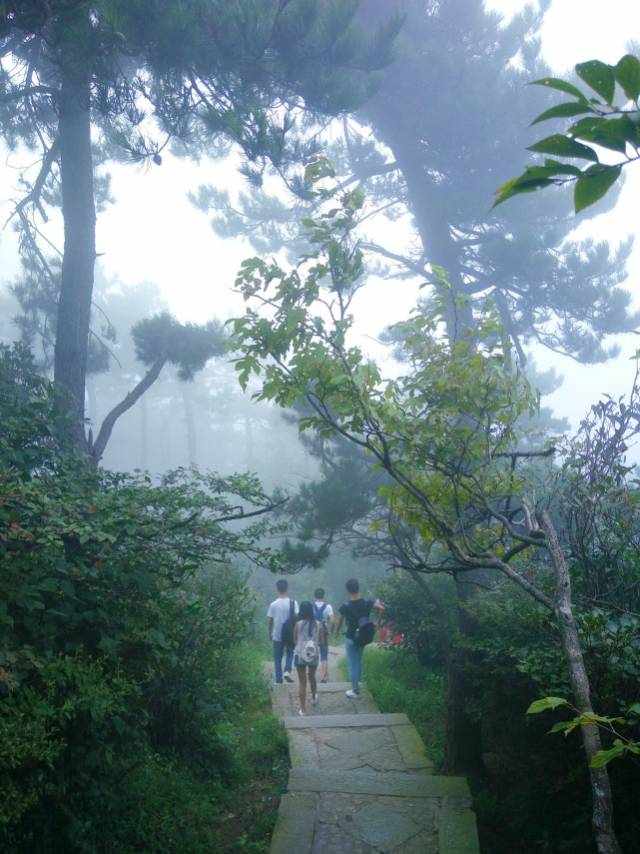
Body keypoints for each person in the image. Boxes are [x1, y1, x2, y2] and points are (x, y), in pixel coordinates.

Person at [334, 578, 384, 698]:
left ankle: (355, 690)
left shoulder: (345, 606)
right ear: (358, 588)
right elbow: (382, 608)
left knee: (352, 663)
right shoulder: (367, 602)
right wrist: (377, 623)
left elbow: (340, 621)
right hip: (363, 636)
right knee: (358, 661)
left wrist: (336, 632)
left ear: (348, 590)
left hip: (351, 637)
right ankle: (356, 685)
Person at [293, 600, 325, 715]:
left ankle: (303, 709)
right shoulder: (319, 624)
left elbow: (295, 640)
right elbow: (321, 642)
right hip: (314, 655)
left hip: (300, 655)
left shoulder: (298, 624)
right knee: (312, 677)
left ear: (301, 611)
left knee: (302, 683)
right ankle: (314, 696)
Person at [267, 579, 298, 684]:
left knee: (277, 657)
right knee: (290, 652)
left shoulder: (273, 604)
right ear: (287, 588)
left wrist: (269, 633)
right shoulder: (293, 603)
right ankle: (287, 670)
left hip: (277, 634)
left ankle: (278, 680)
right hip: (290, 634)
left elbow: (270, 621)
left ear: (277, 589)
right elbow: (296, 618)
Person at [313, 587, 334, 683]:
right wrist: (330, 629)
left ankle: (312, 674)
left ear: (315, 596)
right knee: (324, 654)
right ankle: (324, 677)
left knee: (312, 653)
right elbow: (333, 621)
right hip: (324, 633)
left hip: (312, 632)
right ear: (323, 596)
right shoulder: (328, 606)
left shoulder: (311, 606)